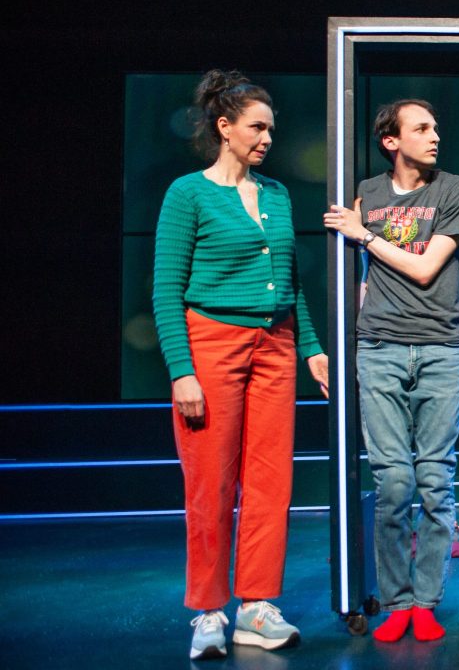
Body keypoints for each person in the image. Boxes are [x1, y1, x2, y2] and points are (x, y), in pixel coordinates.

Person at [152, 69, 329, 660]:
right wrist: (182, 371)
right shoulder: (188, 193)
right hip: (211, 346)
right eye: (257, 127)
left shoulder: (276, 194)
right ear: (224, 127)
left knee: (270, 482)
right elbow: (166, 290)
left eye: (271, 129)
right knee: (210, 483)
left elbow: (291, 282)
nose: (267, 138)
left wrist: (311, 348)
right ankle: (208, 610)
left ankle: (256, 606)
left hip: (274, 346)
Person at [323, 99, 459, 644]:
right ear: (391, 141)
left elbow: (427, 267)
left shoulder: (455, 189)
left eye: (435, 127)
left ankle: (426, 601)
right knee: (392, 482)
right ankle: (397, 601)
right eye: (422, 128)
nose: (435, 136)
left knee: (434, 481)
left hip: (439, 349)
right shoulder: (368, 193)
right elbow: (364, 277)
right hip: (380, 349)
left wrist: (364, 233)